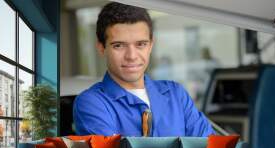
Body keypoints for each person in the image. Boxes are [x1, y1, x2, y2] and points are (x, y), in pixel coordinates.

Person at [73, 2, 215, 137]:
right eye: (119, 45)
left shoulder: (176, 95)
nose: (132, 56)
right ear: (101, 47)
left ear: (151, 45)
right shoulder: (92, 103)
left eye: (140, 44)